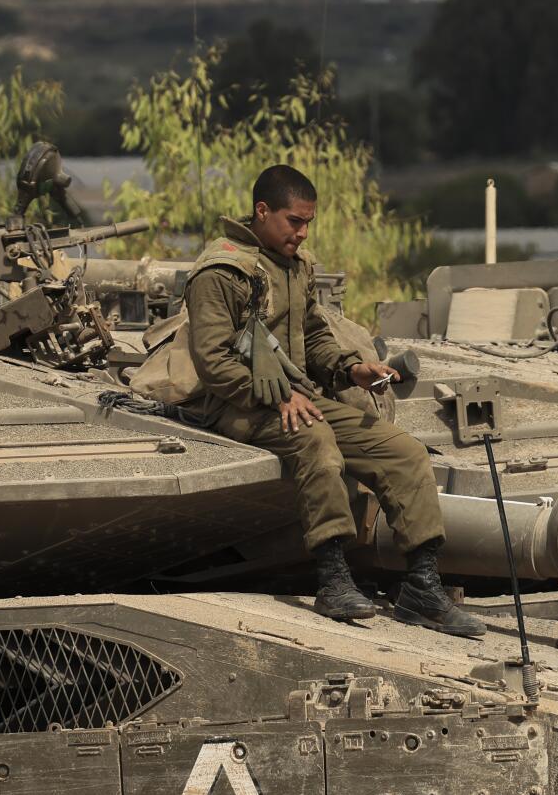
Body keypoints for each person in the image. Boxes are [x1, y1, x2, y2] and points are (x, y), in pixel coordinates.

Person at [184, 164, 482, 636]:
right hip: (236, 404)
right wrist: (275, 398)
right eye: (293, 221)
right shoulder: (220, 271)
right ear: (262, 212)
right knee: (316, 442)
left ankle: (422, 586)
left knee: (402, 452)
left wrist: (353, 369)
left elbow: (314, 337)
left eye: (308, 223)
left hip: (296, 396)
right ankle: (333, 578)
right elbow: (213, 361)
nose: (302, 233)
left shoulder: (295, 266)